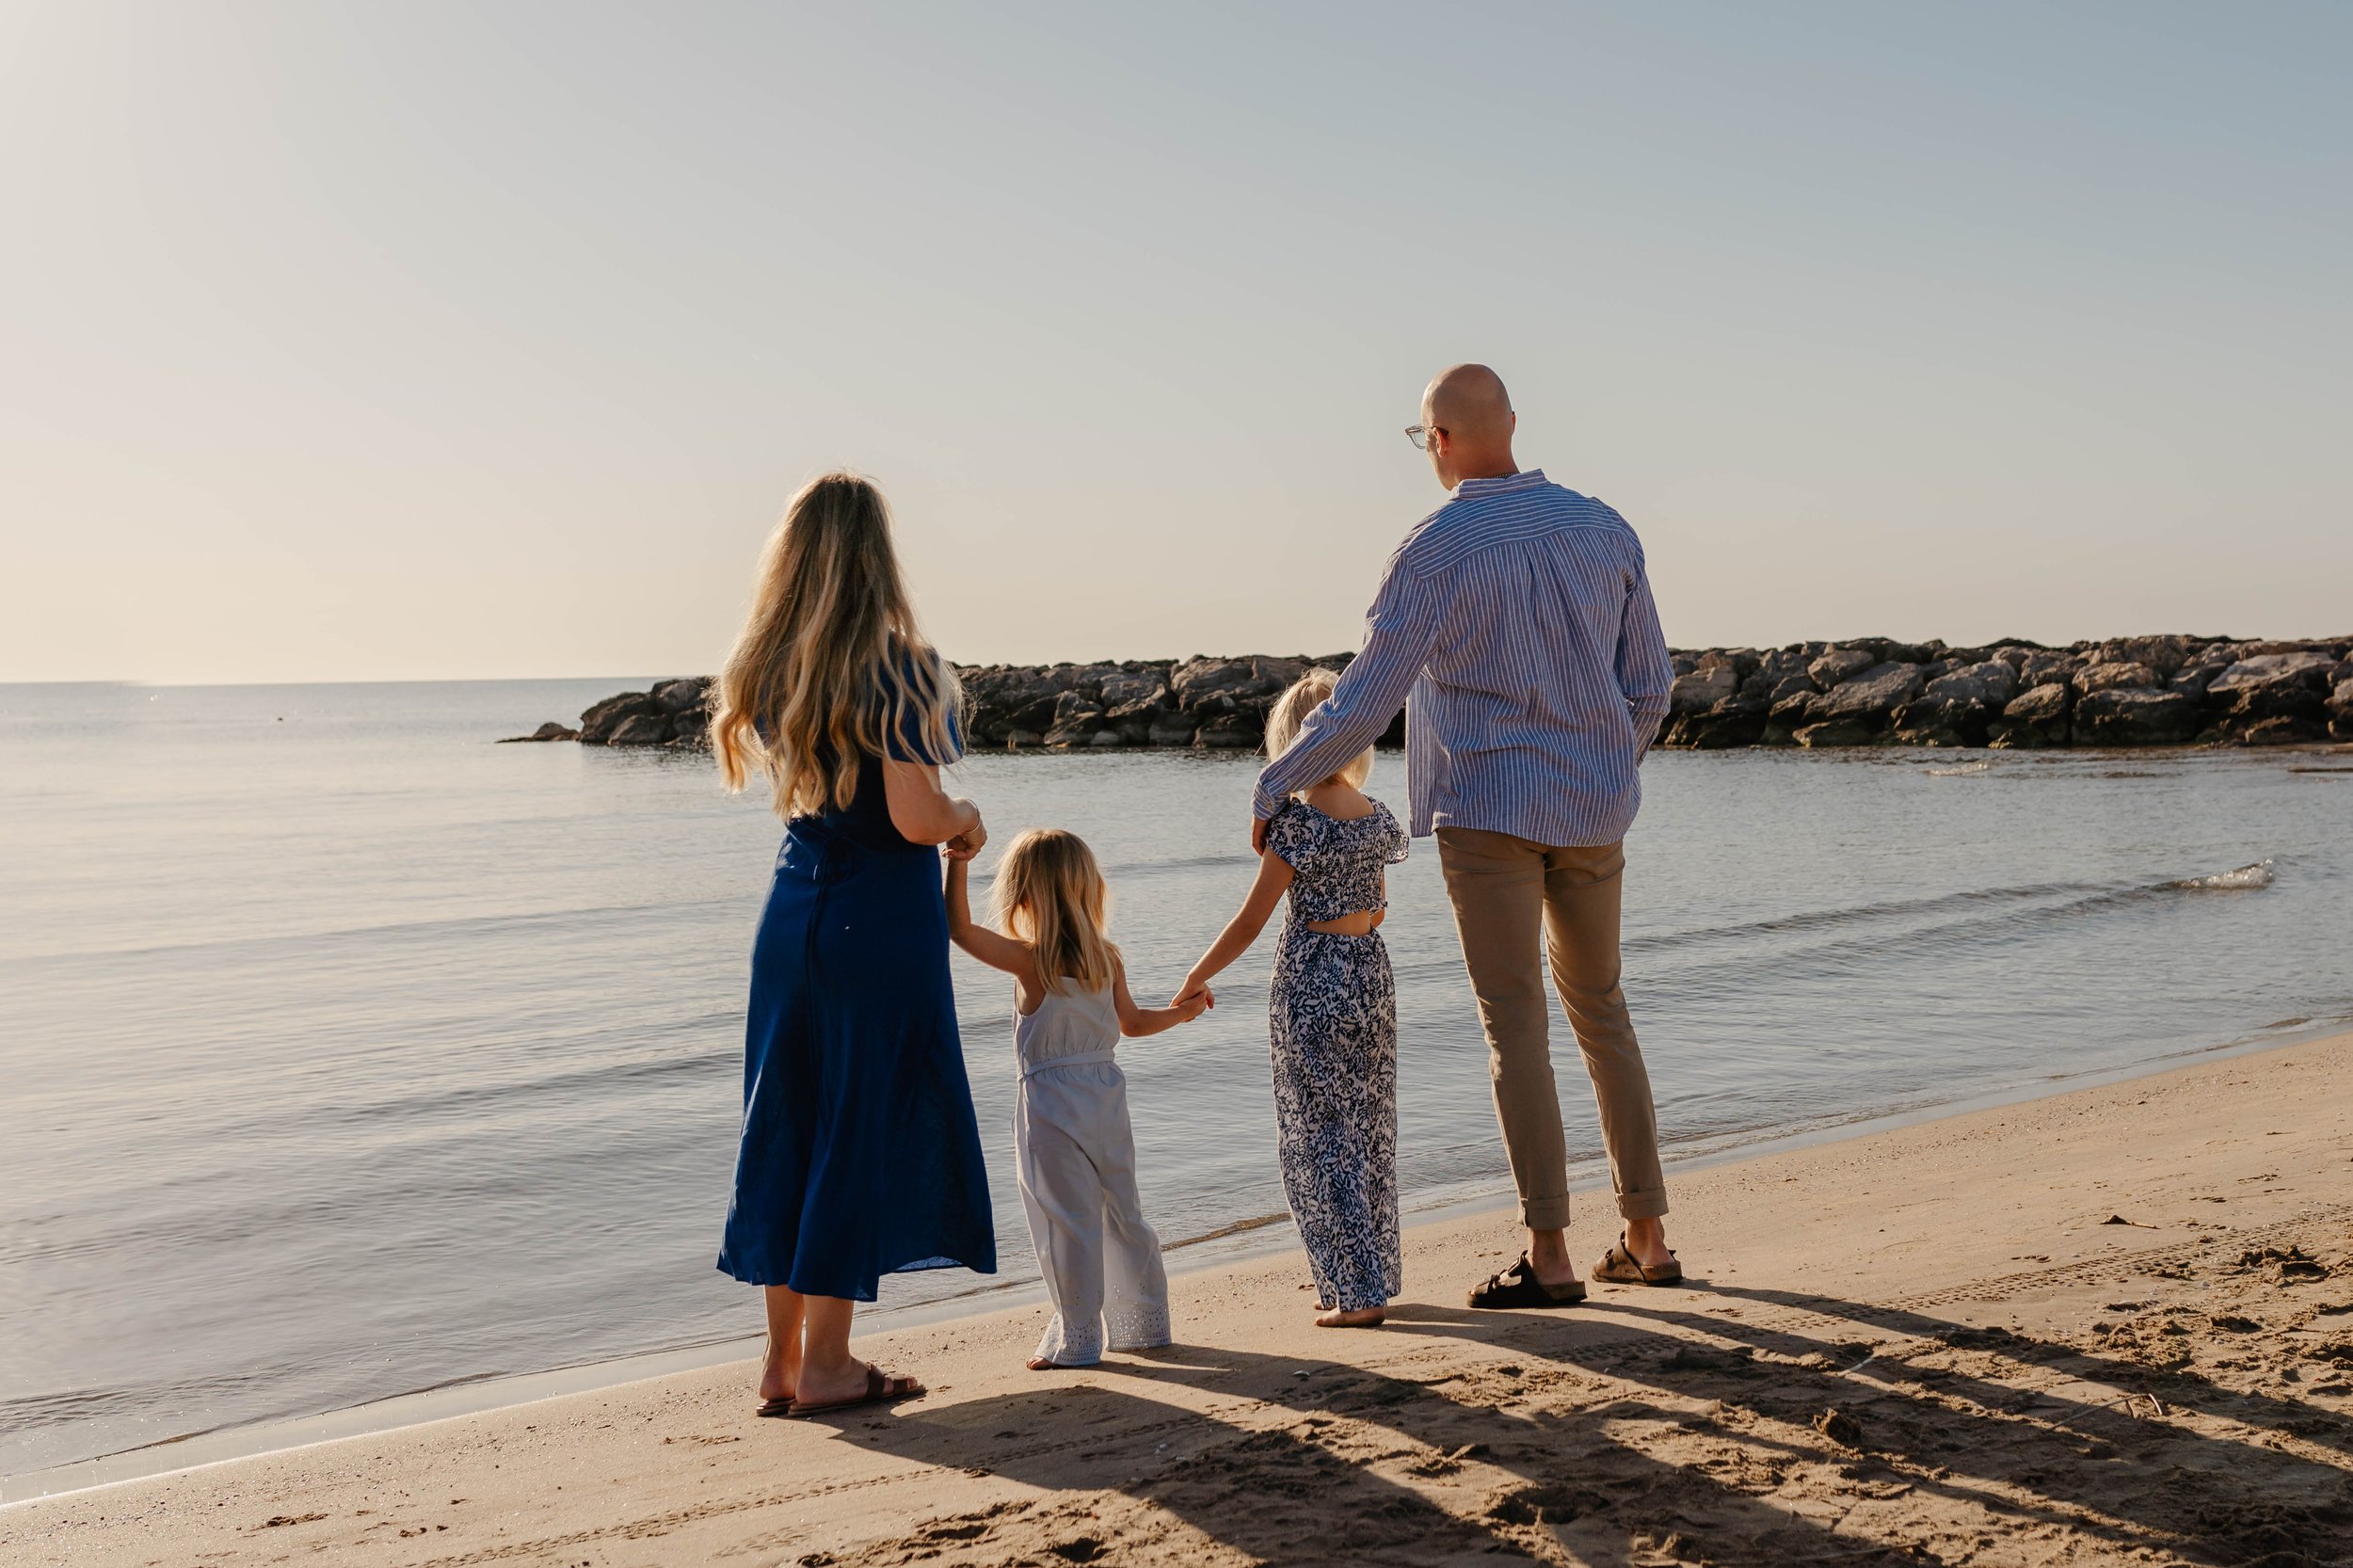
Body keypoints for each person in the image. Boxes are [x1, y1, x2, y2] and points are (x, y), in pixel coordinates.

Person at [1203, 363, 1681, 1308]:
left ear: (1445, 441)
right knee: (1602, 1010)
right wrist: (1607, 764)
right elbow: (1652, 686)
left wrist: (1274, 781)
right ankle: (1647, 1238)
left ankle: (1550, 1256)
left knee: (1516, 1025)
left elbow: (1363, 701)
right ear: (1513, 422)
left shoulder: (1433, 549)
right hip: (1595, 811)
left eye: (1425, 438)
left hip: (1488, 810)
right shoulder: (1604, 528)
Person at [709, 471, 996, 1417]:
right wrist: (967, 816)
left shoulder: (770, 669)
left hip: (792, 913)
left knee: (789, 1125)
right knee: (854, 1126)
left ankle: (782, 1364)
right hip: (875, 922)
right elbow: (915, 818)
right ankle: (829, 1365)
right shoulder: (899, 667)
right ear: (879, 557)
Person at [1179, 670, 1411, 1328]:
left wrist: (1195, 975)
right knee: (1368, 1125)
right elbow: (1378, 908)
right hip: (1370, 975)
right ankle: (1367, 1275)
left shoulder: (1299, 826)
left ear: (1291, 742)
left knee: (1319, 1133)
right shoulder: (1375, 817)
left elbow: (1250, 922)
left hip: (1313, 980)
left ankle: (1357, 1292)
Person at [945, 829, 1201, 1368]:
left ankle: (1080, 1336)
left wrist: (958, 862)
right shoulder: (1106, 959)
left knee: (1066, 1219)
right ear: (1087, 888)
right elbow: (1133, 1024)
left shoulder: (1030, 961)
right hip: (1106, 1097)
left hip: (1050, 1105)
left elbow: (960, 929)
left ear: (1024, 895)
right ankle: (1145, 1321)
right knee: (1122, 1208)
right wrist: (1182, 1013)